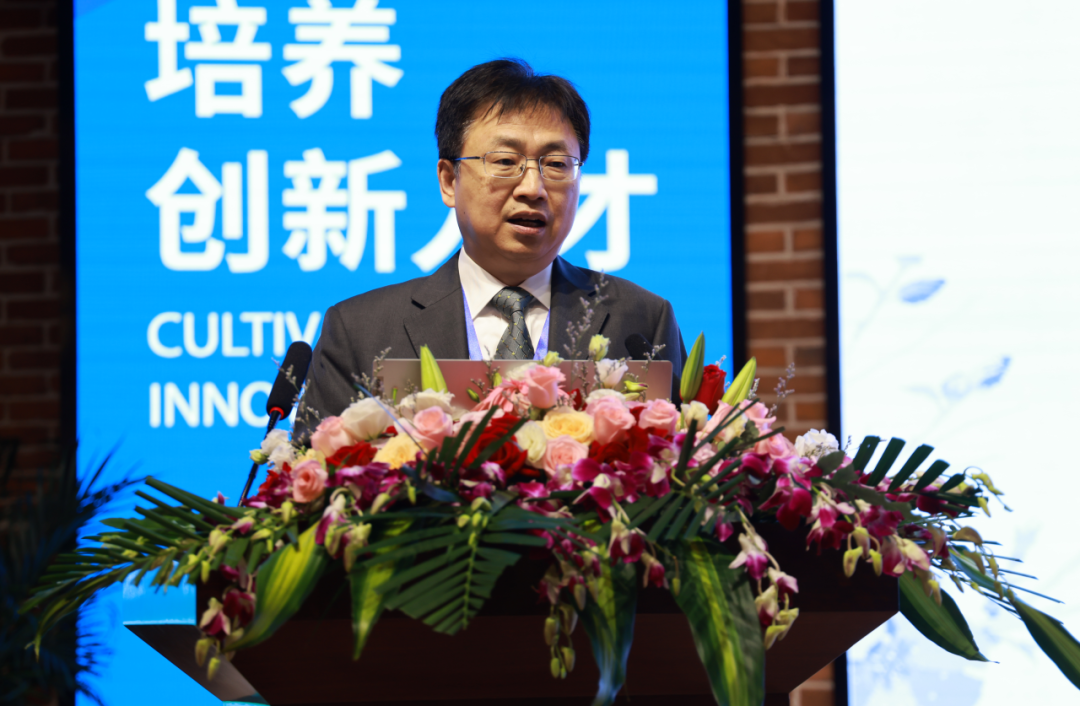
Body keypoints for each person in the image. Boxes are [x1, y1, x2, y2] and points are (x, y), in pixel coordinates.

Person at [294, 58, 685, 440]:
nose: (532, 188)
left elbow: (681, 465)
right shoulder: (360, 331)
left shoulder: (641, 320)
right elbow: (319, 469)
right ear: (449, 181)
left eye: (556, 164)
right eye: (505, 161)